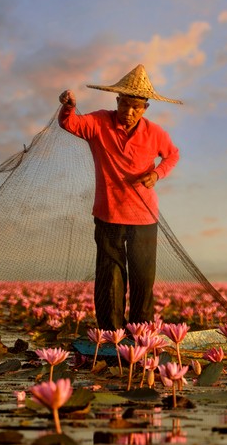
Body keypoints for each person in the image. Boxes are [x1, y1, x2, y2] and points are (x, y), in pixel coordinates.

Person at [57, 64, 181, 330]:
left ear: (145, 108)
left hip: (144, 216)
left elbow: (172, 155)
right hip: (108, 214)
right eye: (124, 105)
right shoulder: (99, 122)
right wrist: (68, 106)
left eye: (136, 107)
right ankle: (111, 332)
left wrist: (157, 174)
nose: (129, 112)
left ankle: (141, 332)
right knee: (110, 276)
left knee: (142, 277)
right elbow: (69, 123)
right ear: (117, 101)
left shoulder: (155, 133)